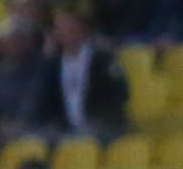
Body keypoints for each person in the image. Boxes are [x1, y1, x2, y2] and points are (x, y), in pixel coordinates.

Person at [46, 10, 129, 142]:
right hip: (67, 130)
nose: (63, 33)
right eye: (59, 29)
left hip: (103, 127)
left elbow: (122, 92)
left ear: (83, 30)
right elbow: (44, 100)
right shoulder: (52, 64)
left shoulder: (103, 58)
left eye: (69, 28)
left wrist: (101, 118)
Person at [0, 20, 55, 142]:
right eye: (7, 41)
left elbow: (35, 100)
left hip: (39, 127)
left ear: (28, 41)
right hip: (8, 129)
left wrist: (17, 125)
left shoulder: (41, 66)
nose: (12, 45)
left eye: (16, 40)